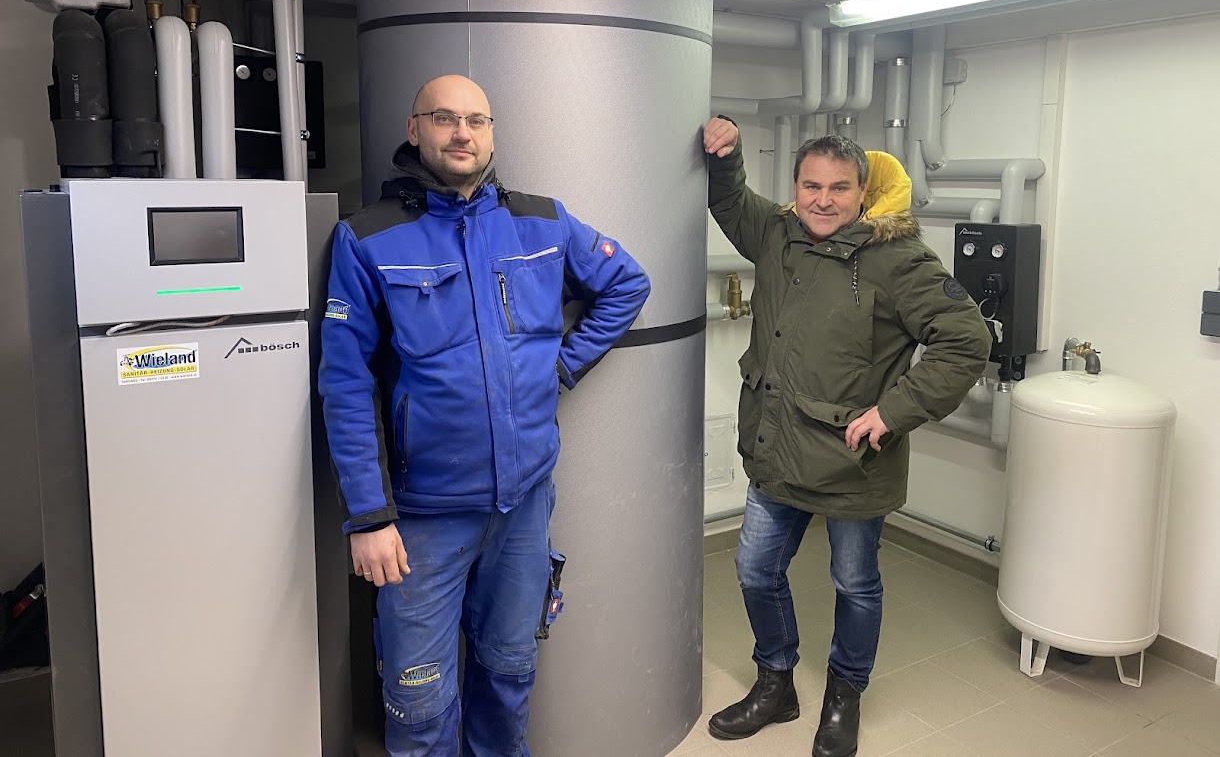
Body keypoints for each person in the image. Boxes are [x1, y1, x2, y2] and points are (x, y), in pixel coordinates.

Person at [318, 75, 650, 756]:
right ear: (415, 129)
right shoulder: (368, 237)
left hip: (523, 505)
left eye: (476, 120)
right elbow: (345, 384)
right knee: (418, 701)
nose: (461, 133)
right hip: (421, 519)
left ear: (492, 132)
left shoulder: (542, 221)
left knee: (508, 673)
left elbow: (627, 282)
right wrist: (369, 518)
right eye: (444, 118)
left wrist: (561, 366)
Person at [700, 117, 991, 757]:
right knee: (755, 570)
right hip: (778, 448)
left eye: (839, 187)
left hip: (854, 460)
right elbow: (730, 199)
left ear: (863, 192)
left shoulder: (899, 260)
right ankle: (776, 683)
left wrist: (894, 411)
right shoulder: (777, 233)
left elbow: (967, 339)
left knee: (854, 584)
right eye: (811, 185)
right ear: (795, 187)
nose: (824, 200)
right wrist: (727, 152)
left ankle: (843, 696)